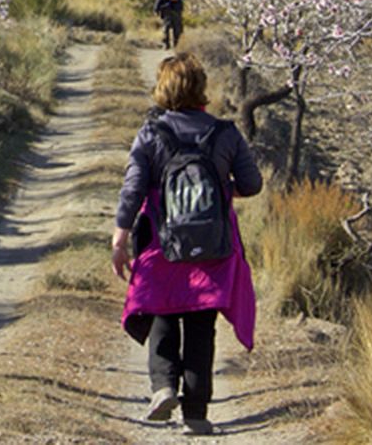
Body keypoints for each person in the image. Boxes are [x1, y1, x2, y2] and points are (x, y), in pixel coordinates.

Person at [110, 53, 261, 437]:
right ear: (200, 88)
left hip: (161, 241)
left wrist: (120, 235)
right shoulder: (225, 133)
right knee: (200, 325)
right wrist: (222, 189)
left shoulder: (151, 133)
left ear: (163, 89)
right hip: (213, 246)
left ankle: (162, 386)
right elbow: (252, 184)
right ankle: (196, 412)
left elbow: (133, 188)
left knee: (161, 314)